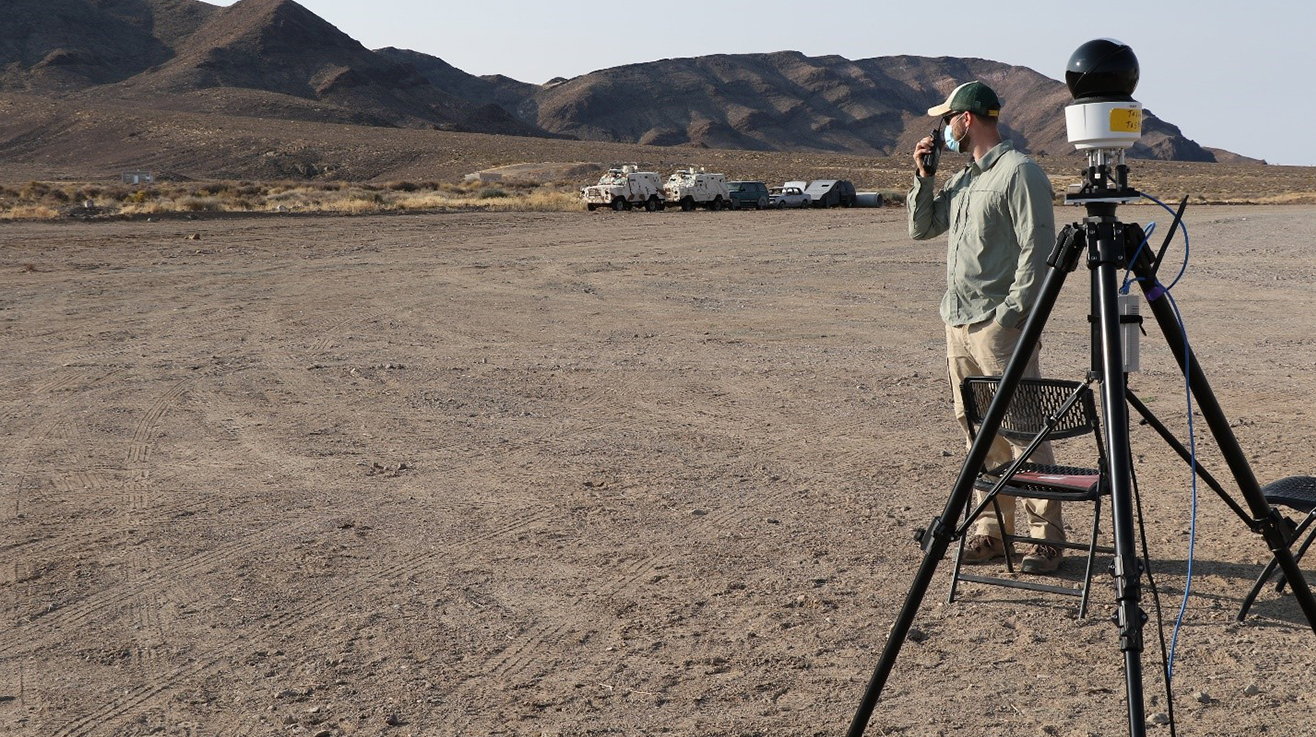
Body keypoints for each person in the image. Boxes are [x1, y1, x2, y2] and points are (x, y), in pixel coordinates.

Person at [908, 80, 1064, 574]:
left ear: (967, 119)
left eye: (947, 120)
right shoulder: (966, 179)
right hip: (957, 321)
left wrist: (1011, 315)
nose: (944, 130)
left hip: (998, 326)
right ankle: (994, 532)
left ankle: (1046, 539)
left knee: (1025, 433)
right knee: (980, 433)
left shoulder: (1020, 173)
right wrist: (924, 176)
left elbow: (1037, 250)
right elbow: (923, 226)